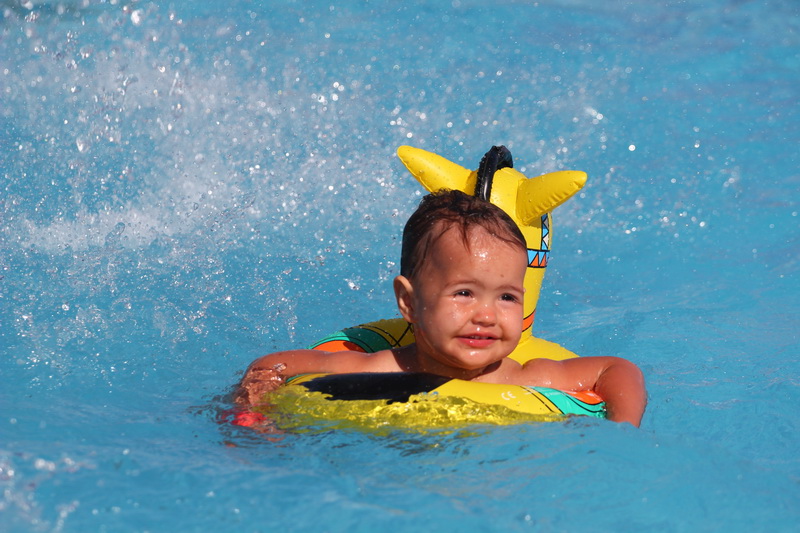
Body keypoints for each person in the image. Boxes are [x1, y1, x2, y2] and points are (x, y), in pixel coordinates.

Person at [236, 190, 646, 426]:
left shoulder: (532, 375)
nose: (486, 315)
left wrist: (623, 431)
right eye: (464, 293)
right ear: (409, 302)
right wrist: (252, 414)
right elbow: (272, 365)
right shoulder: (379, 370)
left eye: (506, 297)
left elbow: (617, 370)